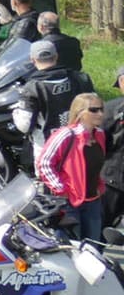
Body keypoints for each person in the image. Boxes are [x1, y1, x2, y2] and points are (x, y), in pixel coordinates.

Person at [38, 93, 108, 241]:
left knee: (92, 247)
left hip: (93, 200)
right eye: (94, 110)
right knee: (72, 248)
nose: (100, 114)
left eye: (101, 109)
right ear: (80, 113)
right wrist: (60, 189)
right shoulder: (66, 134)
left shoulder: (100, 135)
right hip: (70, 202)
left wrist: (100, 186)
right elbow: (44, 163)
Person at [15, 41, 94, 154]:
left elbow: (24, 126)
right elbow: (96, 111)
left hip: (48, 148)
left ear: (32, 60)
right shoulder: (81, 78)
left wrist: (15, 113)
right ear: (56, 57)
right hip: (81, 144)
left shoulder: (31, 88)